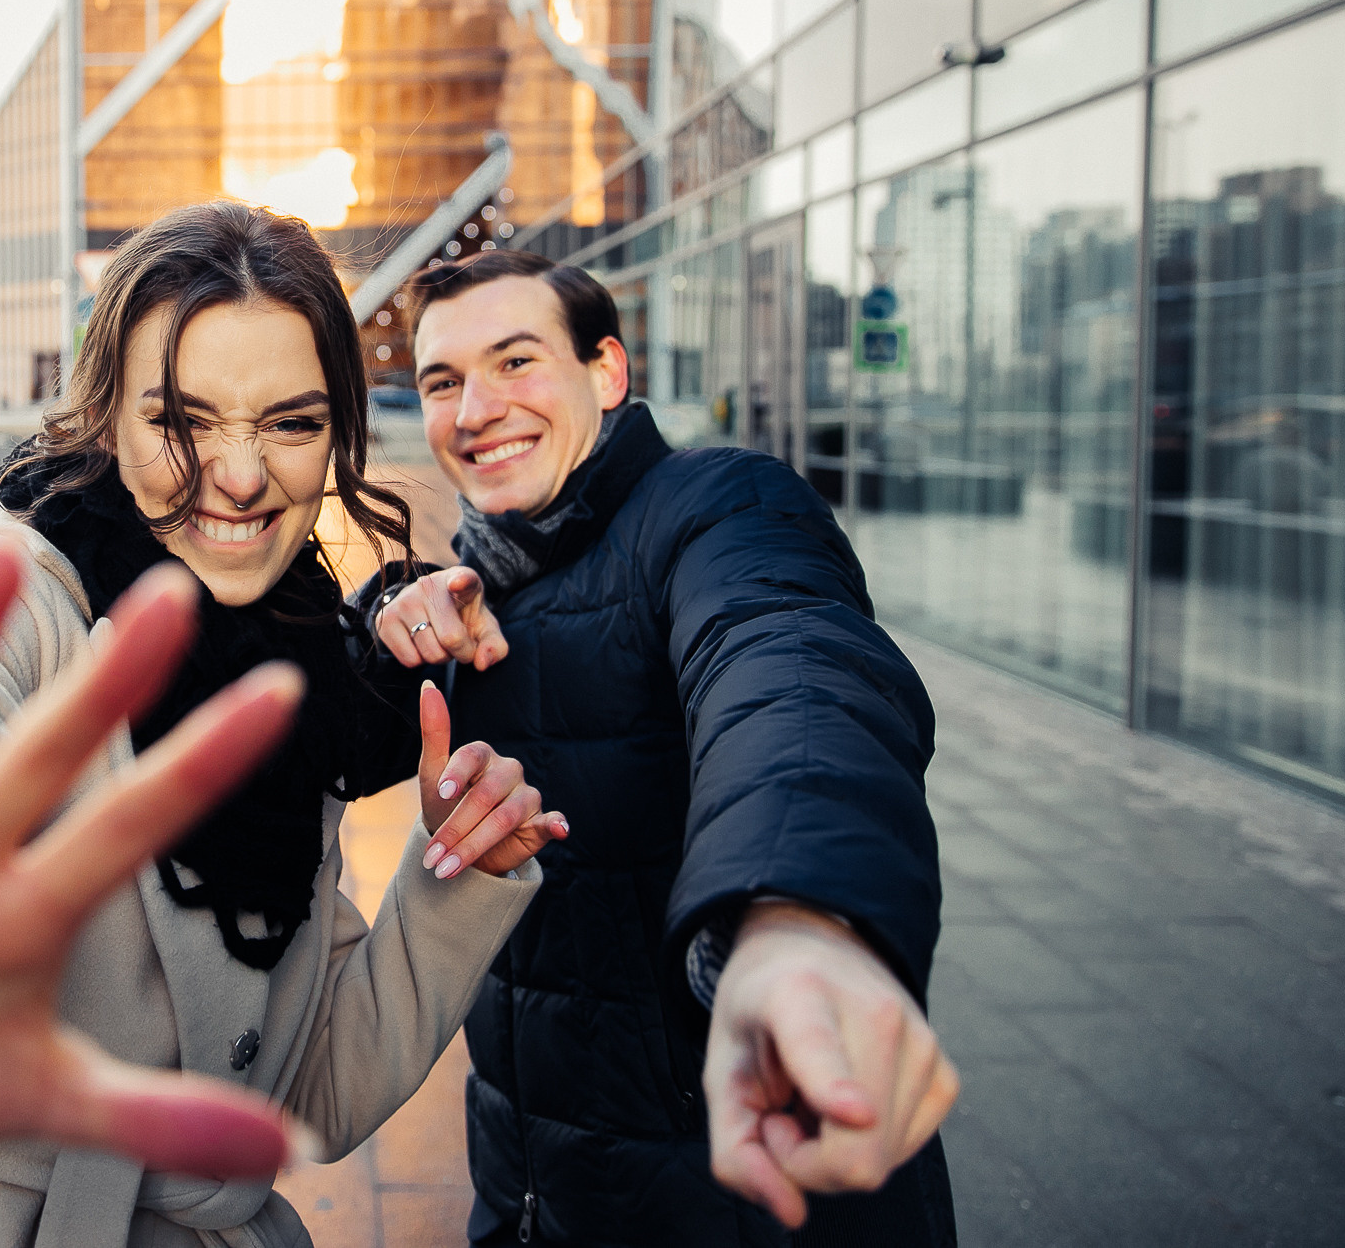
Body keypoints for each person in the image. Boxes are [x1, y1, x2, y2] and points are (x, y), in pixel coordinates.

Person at [0, 203, 568, 1248]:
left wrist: (448, 876)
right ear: (106, 416)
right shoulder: (20, 594)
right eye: (181, 421)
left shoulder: (294, 668)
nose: (238, 476)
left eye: (290, 422)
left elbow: (313, 1095)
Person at [365, 250, 959, 1245]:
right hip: (530, 1189)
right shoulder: (475, 580)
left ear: (606, 372)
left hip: (736, 1191)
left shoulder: (719, 508)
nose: (473, 410)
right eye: (442, 381)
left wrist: (795, 914)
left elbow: (786, 664)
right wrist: (382, 605)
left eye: (516, 362)